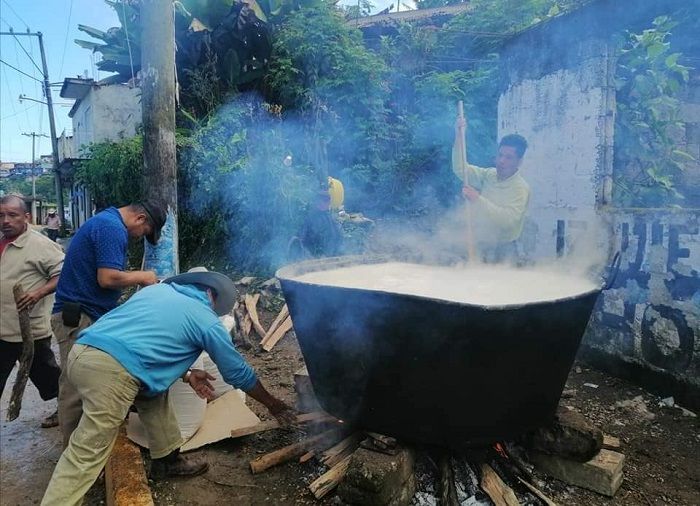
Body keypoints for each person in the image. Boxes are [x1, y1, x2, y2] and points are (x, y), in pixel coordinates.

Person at [41, 268, 295, 506]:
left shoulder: (156, 292)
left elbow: (142, 344)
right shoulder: (205, 318)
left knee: (154, 392)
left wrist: (186, 375)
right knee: (87, 451)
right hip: (110, 372)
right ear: (211, 294)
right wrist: (273, 404)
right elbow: (237, 372)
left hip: (82, 354)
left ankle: (166, 461)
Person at [51, 201, 166, 446]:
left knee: (90, 379)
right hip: (78, 317)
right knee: (75, 386)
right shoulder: (111, 228)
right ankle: (74, 456)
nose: (138, 238)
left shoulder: (106, 222)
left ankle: (89, 447)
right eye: (143, 234)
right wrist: (143, 276)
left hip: (88, 313)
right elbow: (107, 278)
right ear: (141, 219)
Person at [1, 195, 64, 427]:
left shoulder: (40, 244)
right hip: (1, 328)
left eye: (12, 215)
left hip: (29, 329)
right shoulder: (1, 242)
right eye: (1, 215)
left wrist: (38, 293)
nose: (5, 220)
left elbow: (63, 273)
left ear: (26, 217)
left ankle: (65, 408)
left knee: (46, 374)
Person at [452, 116, 530, 263]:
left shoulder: (520, 188)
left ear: (519, 162)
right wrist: (459, 136)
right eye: (500, 155)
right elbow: (460, 169)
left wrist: (477, 199)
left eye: (508, 157)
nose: (501, 161)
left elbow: (507, 220)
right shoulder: (489, 175)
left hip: (505, 251)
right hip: (482, 243)